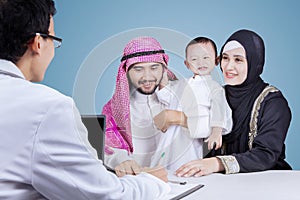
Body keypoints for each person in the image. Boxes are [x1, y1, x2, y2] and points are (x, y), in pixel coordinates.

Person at [0, 0, 171, 199]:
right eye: (53, 40)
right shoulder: (50, 109)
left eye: (154, 67)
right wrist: (150, 180)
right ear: (38, 43)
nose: (146, 76)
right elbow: (106, 194)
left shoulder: (176, 98)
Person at [175, 29, 292, 177]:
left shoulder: (272, 102)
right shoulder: (215, 95)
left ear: (255, 62)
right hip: (221, 182)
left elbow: (266, 154)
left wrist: (217, 163)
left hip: (267, 181)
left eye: (238, 60)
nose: (229, 67)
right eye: (225, 58)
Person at [102, 36, 200, 175]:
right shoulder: (113, 108)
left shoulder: (183, 94)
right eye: (138, 69)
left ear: (164, 68)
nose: (147, 77)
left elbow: (217, 126)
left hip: (186, 179)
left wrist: (180, 118)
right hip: (139, 182)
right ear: (126, 72)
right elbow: (107, 145)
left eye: (154, 68)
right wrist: (121, 160)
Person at [154, 37, 232, 159]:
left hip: (190, 137)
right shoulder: (181, 83)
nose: (201, 62)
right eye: (194, 59)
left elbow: (219, 110)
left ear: (216, 60)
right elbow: (166, 96)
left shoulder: (214, 88)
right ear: (187, 64)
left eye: (206, 57)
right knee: (164, 157)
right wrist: (163, 75)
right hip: (170, 132)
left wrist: (216, 131)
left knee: (185, 161)